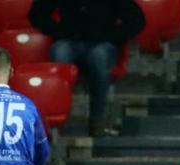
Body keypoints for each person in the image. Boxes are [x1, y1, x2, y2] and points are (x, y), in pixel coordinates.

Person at [28, 0, 145, 137]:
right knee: (60, 52)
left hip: (101, 43)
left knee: (99, 56)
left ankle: (97, 118)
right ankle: (56, 117)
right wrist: (58, 31)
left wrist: (111, 36)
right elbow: (36, 14)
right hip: (69, 41)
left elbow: (137, 20)